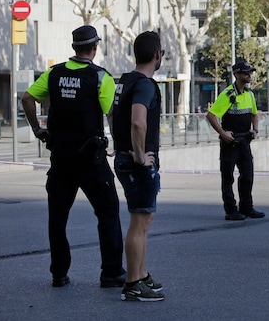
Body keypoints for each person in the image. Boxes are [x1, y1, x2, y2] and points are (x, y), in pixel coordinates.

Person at [21, 25, 125, 288]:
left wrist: (37, 129)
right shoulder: (101, 77)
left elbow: (27, 98)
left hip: (61, 159)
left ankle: (59, 273)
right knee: (108, 212)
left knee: (58, 217)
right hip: (90, 159)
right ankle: (111, 273)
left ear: (74, 48)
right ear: (95, 47)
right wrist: (117, 143)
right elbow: (111, 114)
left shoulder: (54, 74)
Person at [112, 31, 164, 302]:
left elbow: (112, 113)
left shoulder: (125, 81)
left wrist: (119, 144)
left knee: (144, 219)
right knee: (138, 222)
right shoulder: (144, 84)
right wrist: (140, 156)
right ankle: (132, 283)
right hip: (136, 163)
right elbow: (137, 121)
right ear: (157, 55)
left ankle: (140, 275)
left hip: (125, 156)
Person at [206, 60, 264, 221]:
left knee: (248, 175)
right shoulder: (228, 94)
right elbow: (211, 115)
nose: (249, 75)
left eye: (250, 72)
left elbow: (254, 113)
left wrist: (255, 129)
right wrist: (223, 134)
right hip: (230, 143)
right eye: (246, 73)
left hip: (245, 140)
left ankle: (247, 207)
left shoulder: (249, 94)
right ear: (236, 75)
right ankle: (231, 210)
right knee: (228, 177)